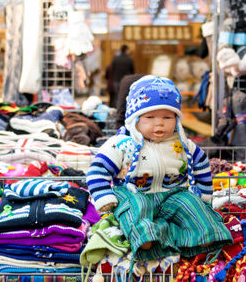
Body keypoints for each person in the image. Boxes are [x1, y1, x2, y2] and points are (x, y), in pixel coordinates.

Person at [86, 76, 233, 261]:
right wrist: (104, 197)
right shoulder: (122, 144)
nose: (159, 123)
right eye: (150, 117)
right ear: (135, 119)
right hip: (134, 193)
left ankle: (200, 234)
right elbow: (97, 171)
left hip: (173, 193)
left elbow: (202, 164)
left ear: (177, 120)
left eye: (167, 117)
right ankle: (147, 237)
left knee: (192, 205)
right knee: (133, 208)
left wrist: (204, 195)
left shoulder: (183, 145)